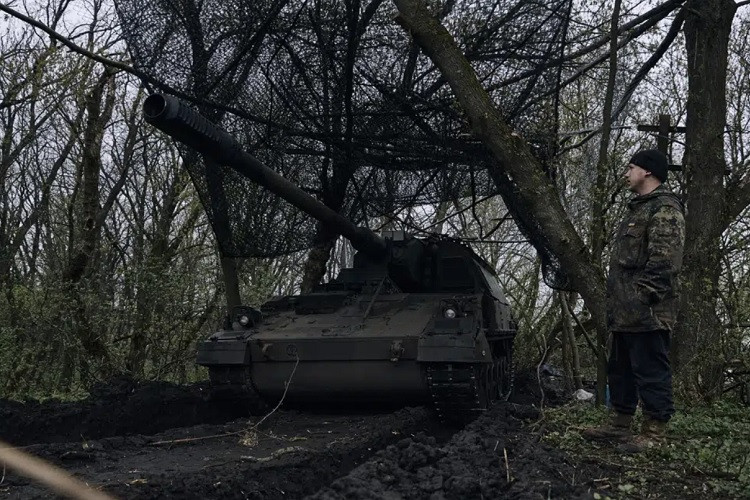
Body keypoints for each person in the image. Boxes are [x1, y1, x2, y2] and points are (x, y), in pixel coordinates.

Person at [583, 149, 685, 453]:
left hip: (647, 312)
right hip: (624, 311)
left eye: (631, 168)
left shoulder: (664, 209)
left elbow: (665, 262)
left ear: (647, 171)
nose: (626, 173)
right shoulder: (638, 209)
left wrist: (643, 298)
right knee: (621, 369)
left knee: (651, 371)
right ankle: (619, 424)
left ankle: (654, 434)